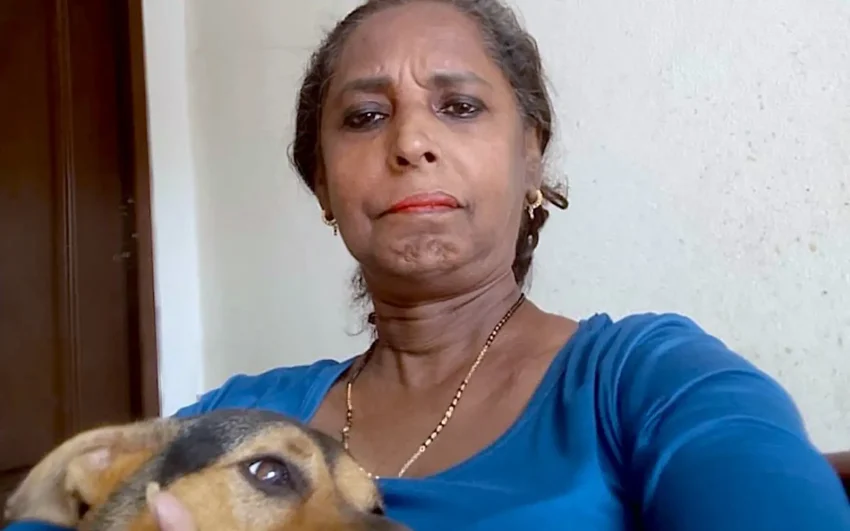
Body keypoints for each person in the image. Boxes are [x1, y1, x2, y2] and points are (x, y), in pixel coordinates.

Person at [6, 1, 849, 530]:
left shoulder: (651, 380)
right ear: (324, 185)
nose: (411, 141)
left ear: (531, 156)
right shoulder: (238, 418)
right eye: (366, 117)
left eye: (459, 105)